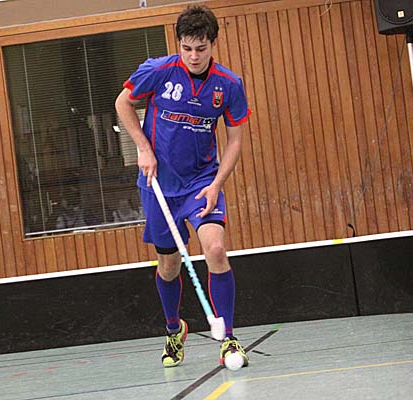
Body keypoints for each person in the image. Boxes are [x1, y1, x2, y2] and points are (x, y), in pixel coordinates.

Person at [115, 4, 251, 368]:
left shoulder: (228, 85)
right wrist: (143, 149)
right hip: (158, 185)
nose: (193, 56)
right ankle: (174, 328)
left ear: (212, 44)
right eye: (186, 48)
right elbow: (123, 102)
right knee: (169, 265)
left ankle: (229, 338)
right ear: (179, 44)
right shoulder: (158, 71)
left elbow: (235, 141)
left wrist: (217, 184)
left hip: (201, 182)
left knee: (216, 250)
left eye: (200, 48)